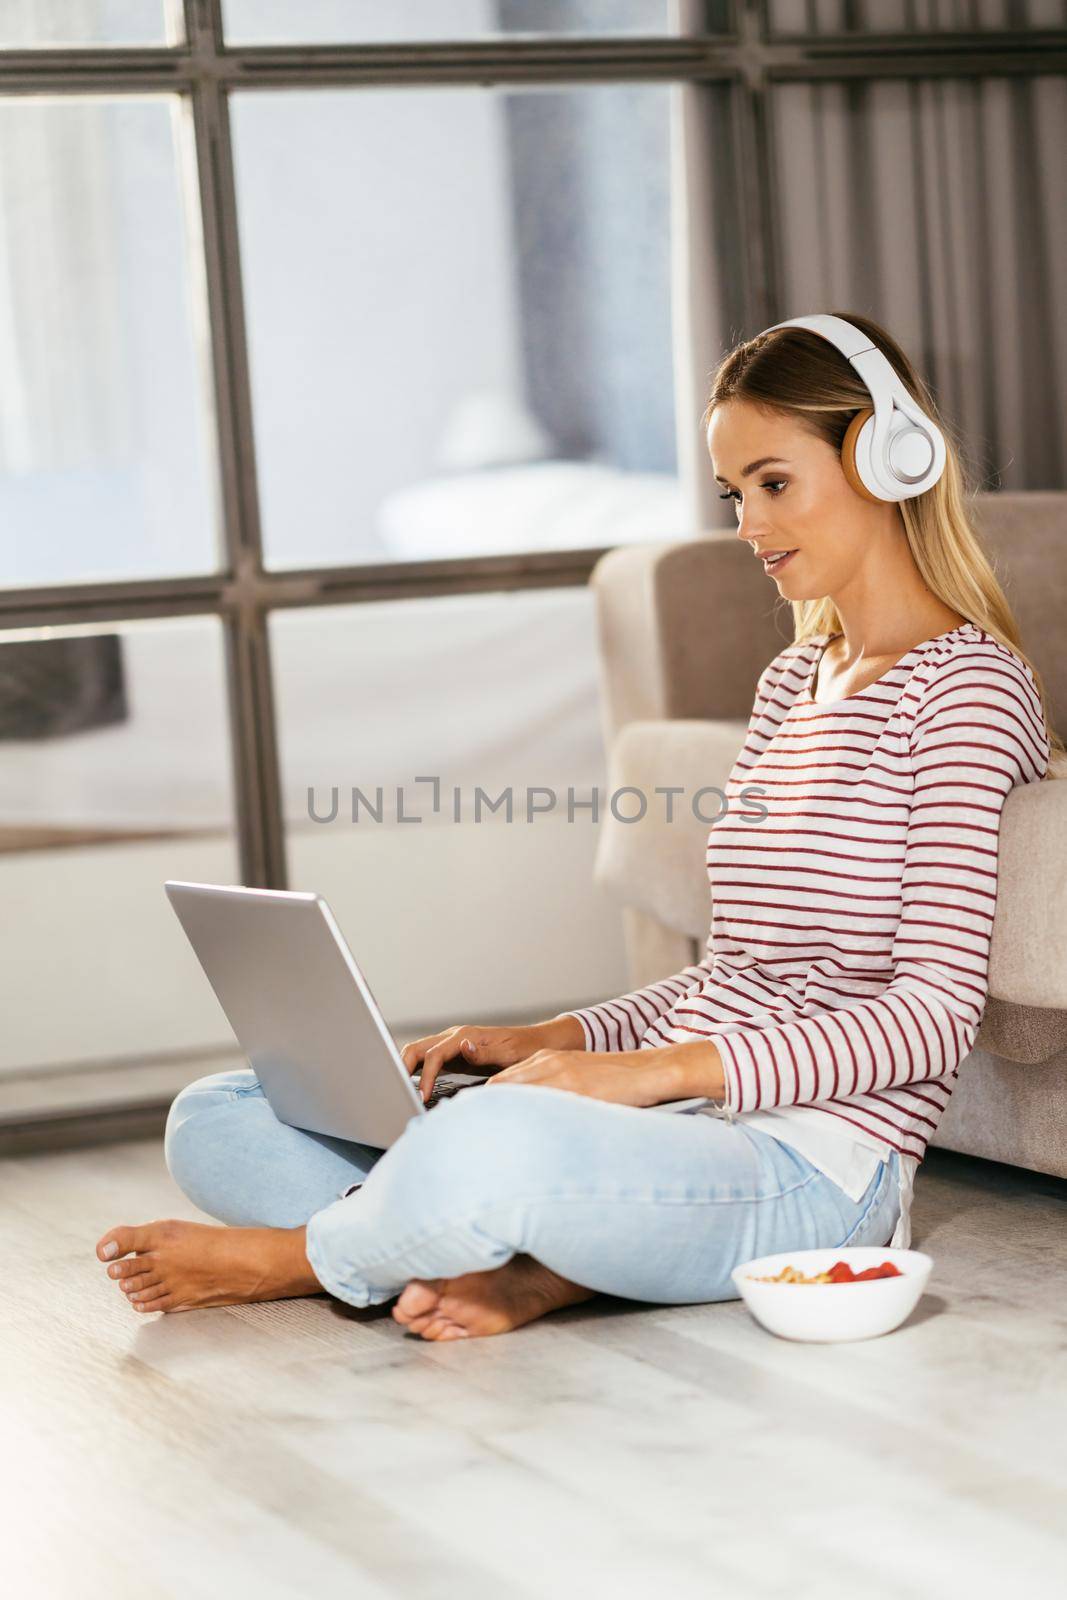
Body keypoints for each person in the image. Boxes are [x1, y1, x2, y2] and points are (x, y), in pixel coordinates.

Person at [96, 310, 1060, 1341]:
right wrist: (566, 1036)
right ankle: (511, 1247)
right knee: (221, 1113)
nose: (746, 525)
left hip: (811, 1168)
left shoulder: (965, 690)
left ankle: (310, 1259)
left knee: (492, 1148)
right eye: (733, 494)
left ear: (884, 457)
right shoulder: (791, 680)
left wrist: (644, 1073)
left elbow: (931, 1014)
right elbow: (731, 972)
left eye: (773, 483)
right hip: (673, 1130)